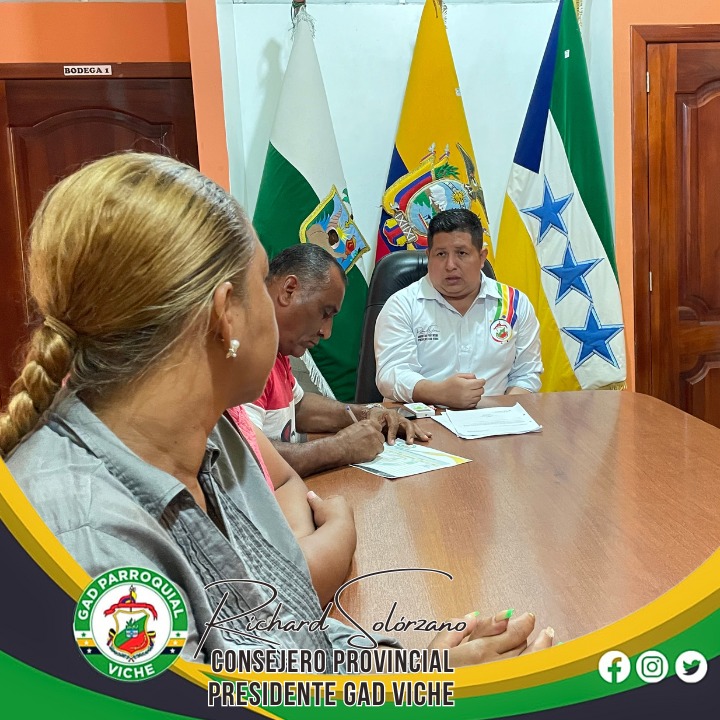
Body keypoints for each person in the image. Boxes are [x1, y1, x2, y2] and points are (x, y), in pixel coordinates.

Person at [1, 153, 553, 665]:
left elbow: (284, 641)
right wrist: (426, 695)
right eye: (260, 287)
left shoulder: (218, 438)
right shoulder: (90, 540)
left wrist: (416, 667)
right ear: (227, 316)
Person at [234, 244, 431, 478]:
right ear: (289, 290)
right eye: (325, 313)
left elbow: (298, 406)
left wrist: (366, 413)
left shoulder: (275, 348)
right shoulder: (241, 351)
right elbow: (245, 456)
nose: (326, 332)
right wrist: (340, 448)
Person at [375, 209, 543, 409]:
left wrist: (505, 413)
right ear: (428, 256)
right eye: (441, 254)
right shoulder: (402, 305)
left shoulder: (515, 304)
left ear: (482, 257)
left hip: (496, 418)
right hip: (423, 419)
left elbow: (526, 374)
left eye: (461, 253)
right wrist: (440, 393)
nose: (450, 265)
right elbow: (391, 375)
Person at [230, 405, 355, 608]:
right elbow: (289, 588)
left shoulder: (232, 415)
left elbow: (284, 481)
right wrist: (339, 523)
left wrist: (300, 545)